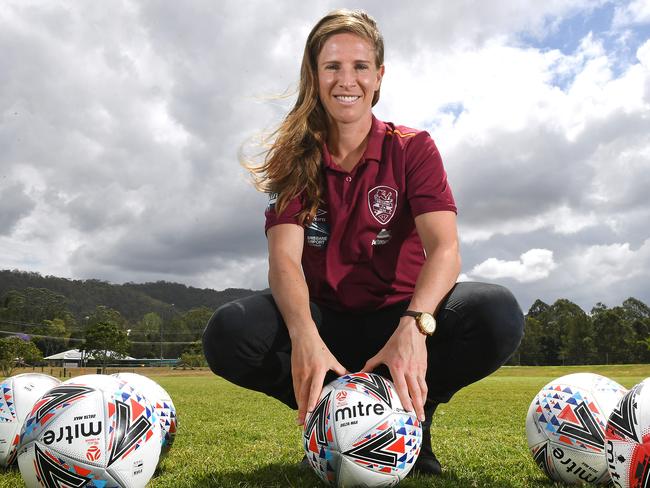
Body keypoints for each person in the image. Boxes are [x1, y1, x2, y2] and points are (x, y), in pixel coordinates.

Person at [203, 9, 524, 476]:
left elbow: (445, 250)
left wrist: (415, 325)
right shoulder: (294, 157)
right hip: (325, 320)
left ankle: (412, 418)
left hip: (399, 317)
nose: (345, 79)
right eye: (332, 66)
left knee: (497, 313)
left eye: (359, 66)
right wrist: (305, 338)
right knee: (228, 334)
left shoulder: (413, 147)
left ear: (378, 77)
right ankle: (330, 416)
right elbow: (284, 263)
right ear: (314, 75)